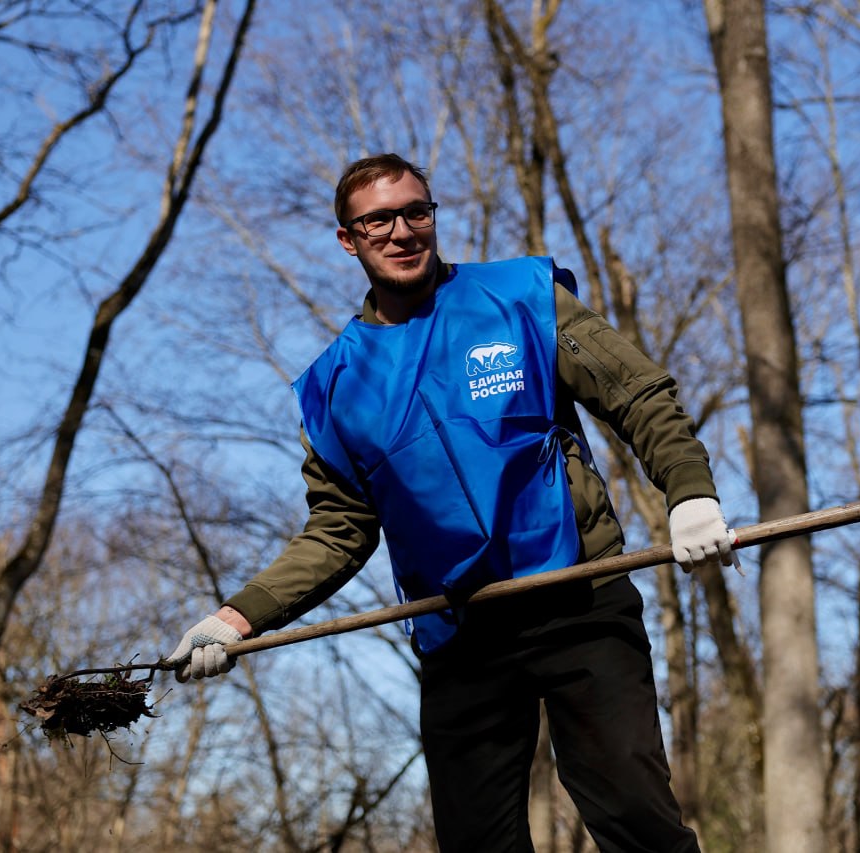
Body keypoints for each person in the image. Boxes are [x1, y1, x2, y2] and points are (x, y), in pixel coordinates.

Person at [167, 153, 739, 852]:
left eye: (417, 211)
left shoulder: (522, 296)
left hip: (577, 594)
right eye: (379, 219)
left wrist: (691, 495)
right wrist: (236, 616)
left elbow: (637, 392)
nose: (403, 230)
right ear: (349, 239)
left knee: (635, 817)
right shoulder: (335, 386)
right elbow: (339, 531)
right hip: (460, 631)